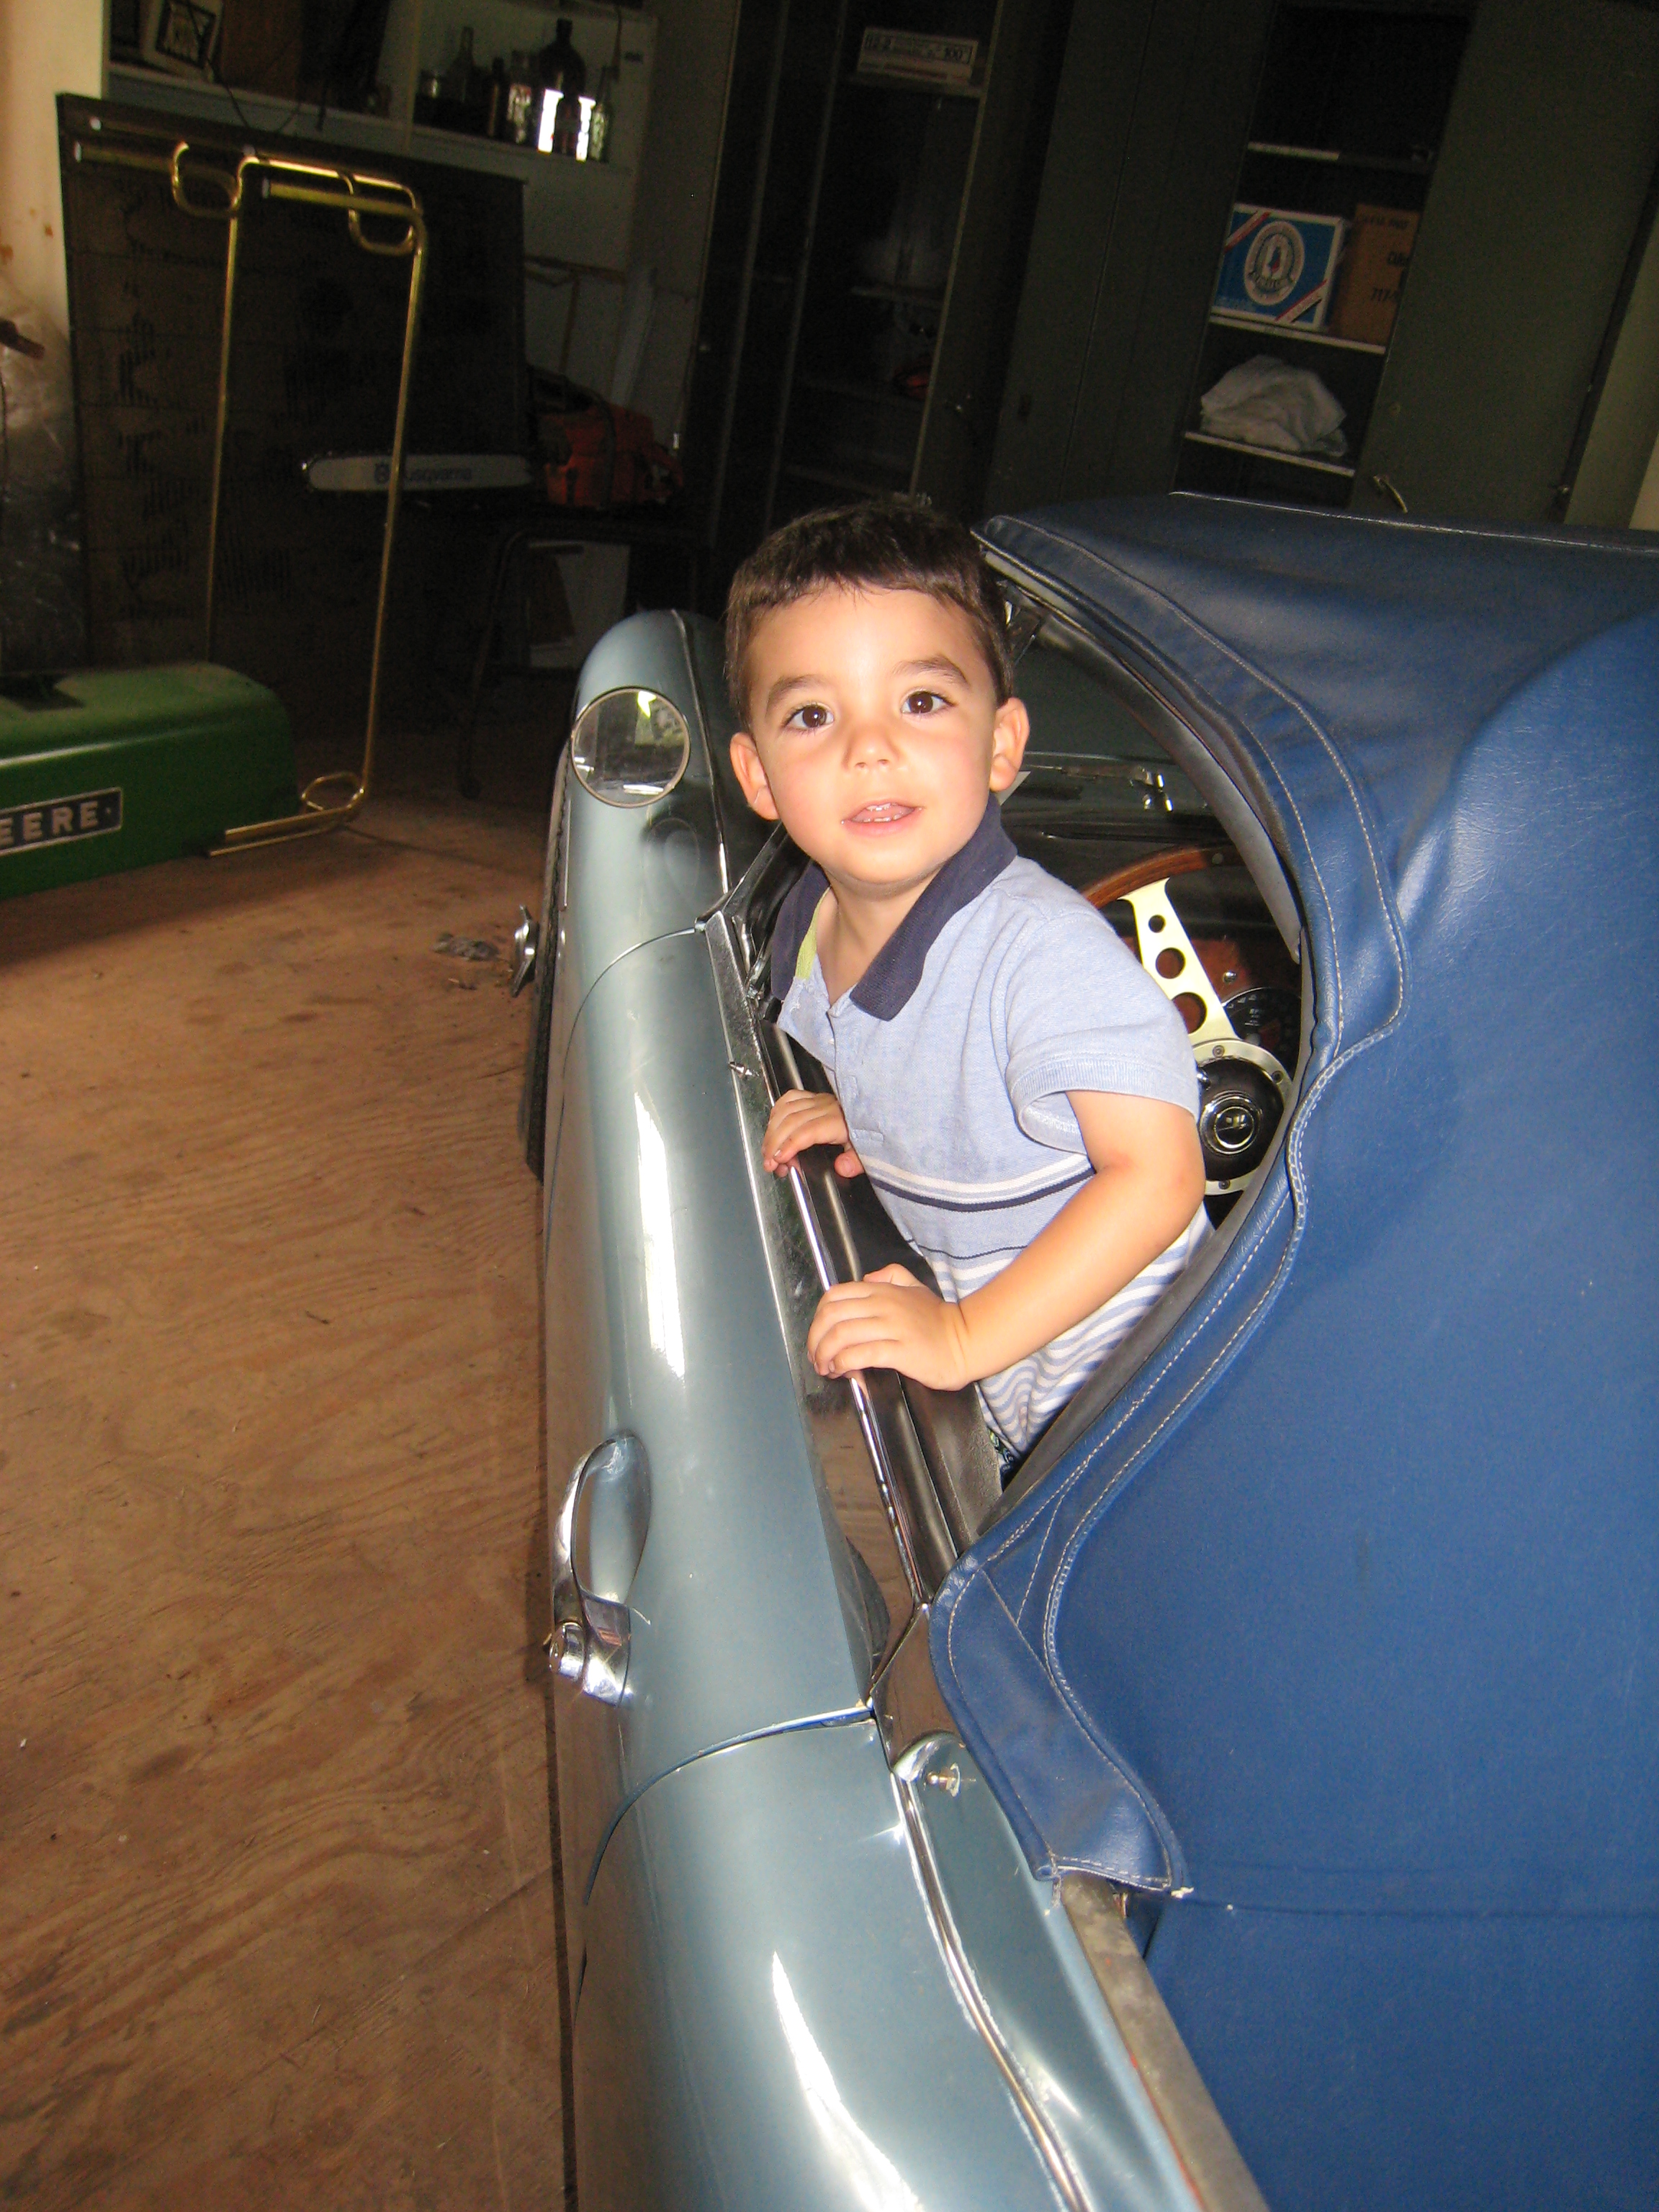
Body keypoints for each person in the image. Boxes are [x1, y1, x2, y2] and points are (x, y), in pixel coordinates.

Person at [724, 503, 1209, 1458]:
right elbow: (934, 1059)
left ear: (1001, 745)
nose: (870, 747)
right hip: (1018, 1388)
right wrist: (877, 1114)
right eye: (813, 715)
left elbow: (1159, 1177)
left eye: (921, 701)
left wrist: (961, 1337)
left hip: (1153, 1398)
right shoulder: (808, 932)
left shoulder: (1041, 953)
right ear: (759, 777)